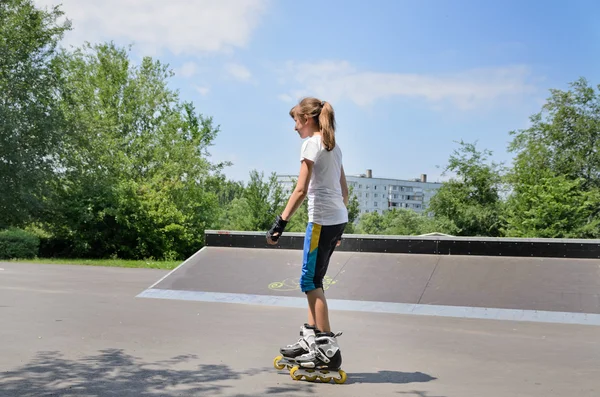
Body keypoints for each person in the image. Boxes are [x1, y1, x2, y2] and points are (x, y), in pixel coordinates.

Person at [267, 97, 348, 377]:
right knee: (313, 280)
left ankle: (327, 349)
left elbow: (301, 189)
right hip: (336, 219)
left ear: (308, 119)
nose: (295, 128)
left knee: (310, 281)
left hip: (322, 220)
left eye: (296, 121)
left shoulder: (311, 144)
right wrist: (339, 227)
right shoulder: (333, 146)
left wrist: (280, 222)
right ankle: (312, 339)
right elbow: (344, 190)